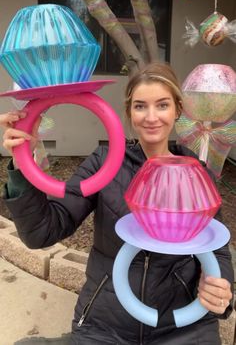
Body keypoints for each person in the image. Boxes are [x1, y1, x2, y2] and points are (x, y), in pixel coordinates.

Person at [0, 63, 234, 345]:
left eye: (162, 105)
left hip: (182, 328)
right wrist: (22, 162)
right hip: (106, 326)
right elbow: (42, 232)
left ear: (177, 110)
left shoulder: (196, 171)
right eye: (139, 106)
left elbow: (217, 250)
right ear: (128, 112)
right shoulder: (104, 163)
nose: (151, 117)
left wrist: (220, 288)